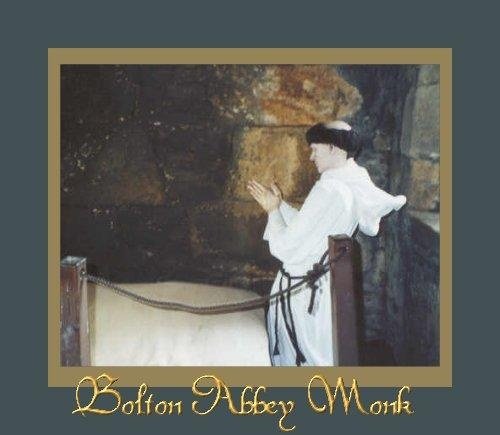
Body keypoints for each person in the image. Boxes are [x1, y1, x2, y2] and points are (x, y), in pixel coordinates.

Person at [246, 120, 407, 366]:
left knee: (304, 363)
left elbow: (286, 248)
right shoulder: (352, 182)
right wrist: (279, 207)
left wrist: (272, 212)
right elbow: (311, 228)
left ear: (333, 148)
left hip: (303, 293)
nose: (311, 157)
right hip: (322, 287)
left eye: (315, 149)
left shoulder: (330, 189)